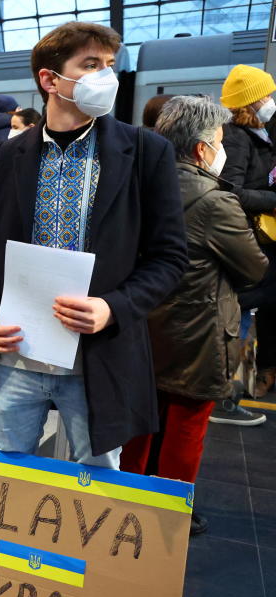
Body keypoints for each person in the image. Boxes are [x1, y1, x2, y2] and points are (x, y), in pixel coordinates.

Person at [0, 21, 188, 468]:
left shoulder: (146, 152)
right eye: (90, 65)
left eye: (110, 65)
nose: (106, 76)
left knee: (98, 483)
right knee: (9, 475)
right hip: (17, 355)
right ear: (50, 79)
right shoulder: (8, 156)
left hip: (100, 359)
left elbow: (169, 257)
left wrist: (114, 307)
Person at [121, 95, 268, 535]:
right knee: (186, 425)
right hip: (197, 332)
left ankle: (124, 503)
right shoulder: (215, 201)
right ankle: (169, 516)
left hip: (142, 324)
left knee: (140, 423)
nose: (222, 147)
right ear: (203, 149)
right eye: (219, 140)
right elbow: (253, 266)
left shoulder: (138, 184)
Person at [219, 64, 276, 405]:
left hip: (263, 239)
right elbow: (230, 190)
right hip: (251, 239)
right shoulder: (238, 137)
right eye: (267, 94)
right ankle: (228, 395)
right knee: (241, 314)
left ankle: (238, 389)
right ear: (252, 100)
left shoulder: (260, 132)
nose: (271, 99)